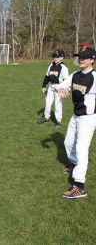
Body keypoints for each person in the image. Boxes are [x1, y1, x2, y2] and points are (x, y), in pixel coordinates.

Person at [50, 48, 96, 199]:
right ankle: (76, 164)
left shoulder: (94, 77)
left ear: (92, 60)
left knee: (81, 148)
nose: (81, 59)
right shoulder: (75, 75)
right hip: (76, 116)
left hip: (88, 118)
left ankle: (79, 186)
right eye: (80, 57)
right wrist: (61, 90)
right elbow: (61, 85)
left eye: (84, 58)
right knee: (68, 142)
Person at [38, 50, 69, 127]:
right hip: (51, 86)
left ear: (62, 57)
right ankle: (46, 118)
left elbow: (66, 80)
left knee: (58, 104)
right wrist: (44, 85)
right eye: (54, 56)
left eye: (57, 57)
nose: (55, 58)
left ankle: (58, 121)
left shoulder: (63, 67)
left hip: (59, 87)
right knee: (48, 103)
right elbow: (47, 76)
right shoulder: (51, 65)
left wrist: (65, 89)